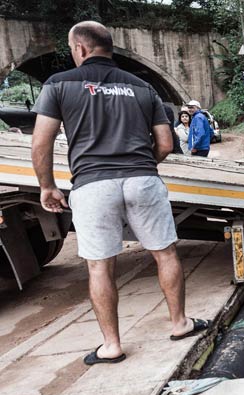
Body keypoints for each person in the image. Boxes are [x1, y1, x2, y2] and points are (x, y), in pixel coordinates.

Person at [31, 21, 209, 366]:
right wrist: (143, 164)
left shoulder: (58, 85)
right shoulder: (143, 87)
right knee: (165, 253)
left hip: (93, 184)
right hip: (142, 178)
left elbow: (41, 141)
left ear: (80, 49)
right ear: (108, 47)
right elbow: (166, 143)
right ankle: (179, 323)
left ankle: (112, 346)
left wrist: (47, 186)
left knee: (100, 266)